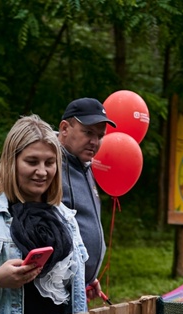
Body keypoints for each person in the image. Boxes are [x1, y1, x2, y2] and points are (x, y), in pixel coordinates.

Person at [0, 115, 89, 314]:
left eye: (49, 163)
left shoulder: (67, 218)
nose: (42, 172)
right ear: (11, 162)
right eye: (32, 162)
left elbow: (74, 295)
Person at [58, 97, 115, 299]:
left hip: (80, 287)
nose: (95, 141)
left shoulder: (87, 166)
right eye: (88, 132)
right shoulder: (48, 165)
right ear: (65, 128)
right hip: (54, 292)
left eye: (100, 135)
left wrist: (88, 276)